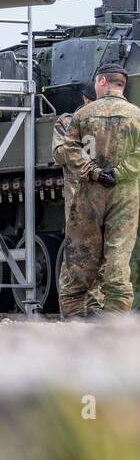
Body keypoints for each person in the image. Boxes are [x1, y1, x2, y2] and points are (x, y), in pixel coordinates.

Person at [55, 63, 140, 316]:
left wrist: (93, 171)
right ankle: (114, 318)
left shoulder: (82, 115)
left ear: (102, 82)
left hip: (89, 192)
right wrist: (120, 172)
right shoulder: (136, 114)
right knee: (118, 254)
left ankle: (75, 318)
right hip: (125, 193)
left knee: (80, 256)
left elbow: (66, 150)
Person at [52, 87, 103, 315]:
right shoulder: (69, 122)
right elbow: (59, 154)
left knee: (98, 254)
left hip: (101, 197)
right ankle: (73, 310)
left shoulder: (107, 123)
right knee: (77, 254)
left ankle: (94, 308)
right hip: (81, 197)